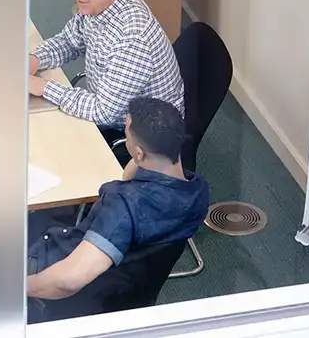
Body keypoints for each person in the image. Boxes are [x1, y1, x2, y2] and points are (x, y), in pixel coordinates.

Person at [26, 97, 209, 319]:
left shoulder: (123, 208)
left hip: (58, 275)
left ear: (139, 153)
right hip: (127, 295)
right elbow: (129, 175)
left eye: (127, 135)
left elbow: (68, 280)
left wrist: (17, 288)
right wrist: (139, 157)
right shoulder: (198, 192)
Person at [28, 0, 183, 135]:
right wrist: (35, 59)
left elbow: (103, 113)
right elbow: (69, 41)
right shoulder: (100, 6)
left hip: (142, 136)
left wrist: (45, 88)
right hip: (108, 107)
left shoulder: (133, 39)